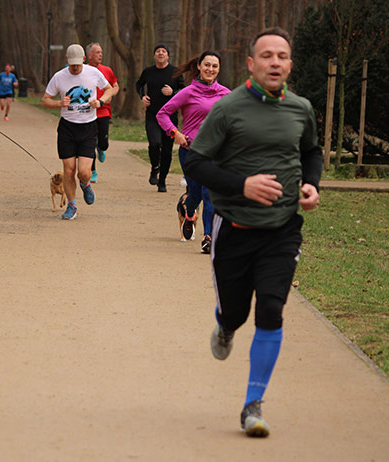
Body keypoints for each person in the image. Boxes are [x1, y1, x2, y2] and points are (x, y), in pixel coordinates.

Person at [184, 27, 322, 437]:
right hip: (234, 228)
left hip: (282, 229)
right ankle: (225, 324)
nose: (275, 62)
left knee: (271, 309)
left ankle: (253, 405)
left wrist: (311, 184)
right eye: (266, 55)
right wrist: (241, 185)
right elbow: (195, 163)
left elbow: (311, 151)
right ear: (251, 63)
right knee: (237, 311)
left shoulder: (301, 108)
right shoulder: (228, 109)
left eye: (282, 55)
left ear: (290, 64)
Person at [156, 51, 230, 252]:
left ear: (218, 69)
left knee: (209, 194)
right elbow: (162, 114)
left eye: (214, 66)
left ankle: (208, 237)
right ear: (199, 66)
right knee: (195, 194)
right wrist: (175, 133)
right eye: (207, 65)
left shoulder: (225, 94)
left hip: (214, 154)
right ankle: (189, 213)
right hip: (191, 152)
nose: (210, 69)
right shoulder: (188, 92)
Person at [41, 44, 114, 220]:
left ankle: (85, 183)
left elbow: (110, 89)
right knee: (68, 170)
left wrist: (101, 101)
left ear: (83, 59)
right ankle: (72, 206)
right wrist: (59, 103)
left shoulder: (93, 73)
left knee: (83, 171)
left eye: (78, 64)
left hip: (88, 127)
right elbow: (45, 100)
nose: (75, 68)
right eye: (72, 64)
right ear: (67, 60)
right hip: (67, 127)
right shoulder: (59, 77)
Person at [136, 44, 184, 192]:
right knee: (155, 143)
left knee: (167, 151)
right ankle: (154, 167)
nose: (161, 53)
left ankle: (162, 180)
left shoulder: (175, 72)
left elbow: (184, 90)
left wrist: (173, 92)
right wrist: (142, 96)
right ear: (154, 55)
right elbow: (138, 85)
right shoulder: (148, 72)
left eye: (164, 51)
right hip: (152, 115)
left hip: (170, 117)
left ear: (168, 56)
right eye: (158, 51)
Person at [86, 42, 119, 184]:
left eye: (101, 52)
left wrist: (110, 94)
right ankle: (93, 171)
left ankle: (102, 147)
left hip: (104, 110)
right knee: (89, 142)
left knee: (103, 142)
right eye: (97, 52)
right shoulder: (84, 71)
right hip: (88, 112)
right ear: (89, 56)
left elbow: (115, 85)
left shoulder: (107, 70)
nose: (101, 55)